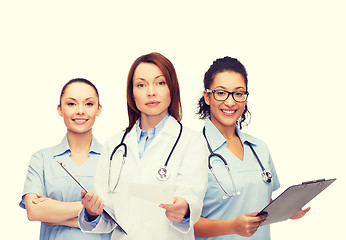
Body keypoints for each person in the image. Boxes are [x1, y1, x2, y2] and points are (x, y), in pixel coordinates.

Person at [78, 52, 208, 240]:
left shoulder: (192, 142)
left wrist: (184, 209)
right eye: (141, 84)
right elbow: (108, 217)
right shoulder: (113, 146)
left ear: (172, 88)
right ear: (132, 93)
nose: (151, 92)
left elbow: (192, 199)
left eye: (160, 83)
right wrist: (92, 212)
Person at [194, 56, 310, 240]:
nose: (231, 102)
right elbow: (184, 223)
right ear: (207, 96)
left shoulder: (260, 148)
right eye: (221, 93)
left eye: (238, 93)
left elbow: (260, 202)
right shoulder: (191, 149)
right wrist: (232, 226)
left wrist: (288, 210)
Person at [19, 78, 110, 240]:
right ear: (60, 110)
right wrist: (89, 208)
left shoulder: (113, 159)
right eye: (71, 104)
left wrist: (53, 213)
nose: (80, 110)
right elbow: (34, 212)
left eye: (89, 104)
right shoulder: (42, 158)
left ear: (99, 109)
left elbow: (117, 216)